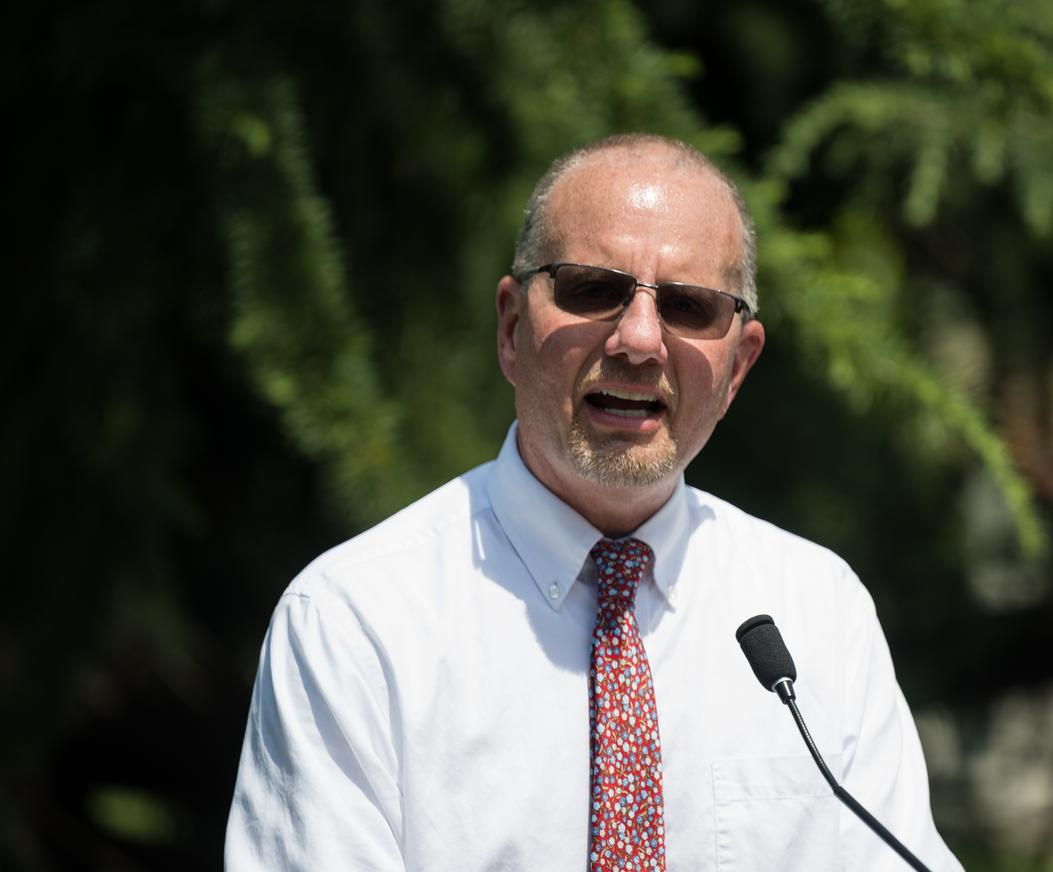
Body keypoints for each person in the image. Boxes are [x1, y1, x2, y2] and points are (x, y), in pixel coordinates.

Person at [226, 133, 962, 871]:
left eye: (689, 305)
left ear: (738, 366)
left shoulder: (817, 613)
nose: (640, 339)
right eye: (592, 289)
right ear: (512, 327)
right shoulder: (356, 624)